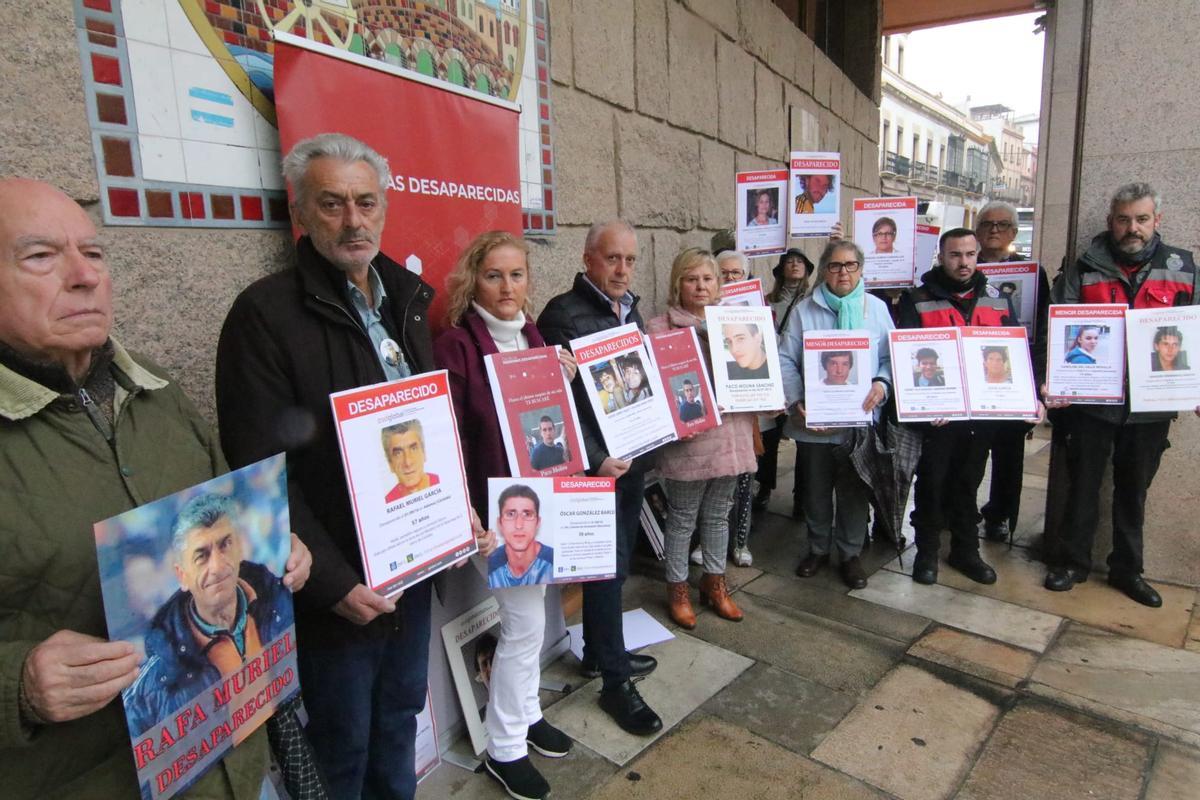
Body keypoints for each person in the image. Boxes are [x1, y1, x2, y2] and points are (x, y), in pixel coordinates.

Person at [0, 178, 310, 799]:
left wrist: (275, 546)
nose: (83, 276)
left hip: (234, 762)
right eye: (40, 256)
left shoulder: (159, 394)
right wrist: (19, 684)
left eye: (93, 253)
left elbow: (223, 517)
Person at [214, 133, 457, 799]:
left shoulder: (406, 300)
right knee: (340, 751)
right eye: (332, 203)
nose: (353, 220)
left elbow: (426, 428)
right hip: (337, 595)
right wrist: (332, 582)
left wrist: (453, 510)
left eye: (365, 202)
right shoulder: (264, 315)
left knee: (400, 725)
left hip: (411, 574)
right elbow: (259, 470)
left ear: (383, 208)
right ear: (300, 211)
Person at [432, 229, 576, 800]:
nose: (507, 286)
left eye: (517, 275)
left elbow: (544, 427)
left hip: (537, 503)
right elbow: (450, 435)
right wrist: (468, 511)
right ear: (474, 281)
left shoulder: (535, 335)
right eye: (494, 275)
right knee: (525, 626)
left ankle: (525, 715)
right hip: (491, 513)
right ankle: (506, 746)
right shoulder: (456, 346)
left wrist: (559, 382)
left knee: (532, 617)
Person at [1044, 182, 1199, 607]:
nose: (1133, 228)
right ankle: (1073, 563)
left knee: (1133, 491)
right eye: (1124, 219)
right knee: (1083, 486)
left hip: (1151, 407)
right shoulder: (1083, 266)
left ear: (1157, 221)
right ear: (1111, 221)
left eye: (1142, 219)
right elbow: (1056, 331)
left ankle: (1128, 571)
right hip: (1092, 405)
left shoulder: (1183, 266)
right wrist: (1052, 381)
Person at [537, 220, 663, 736]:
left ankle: (597, 651)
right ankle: (614, 683)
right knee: (605, 569)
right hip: (597, 468)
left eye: (630, 260)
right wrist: (593, 458)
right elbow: (556, 404)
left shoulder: (628, 308)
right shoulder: (561, 316)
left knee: (615, 563)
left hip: (630, 459)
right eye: (612, 259)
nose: (622, 269)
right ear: (588, 258)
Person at [898, 227, 1030, 587]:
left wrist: (1021, 397)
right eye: (955, 255)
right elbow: (906, 358)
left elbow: (1013, 354)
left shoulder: (997, 299)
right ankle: (926, 551)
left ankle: (965, 549)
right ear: (941, 257)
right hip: (937, 415)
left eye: (970, 254)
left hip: (981, 414)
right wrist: (923, 406)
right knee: (931, 481)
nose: (963, 262)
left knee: (969, 481)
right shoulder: (916, 299)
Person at [124, 495, 294, 738]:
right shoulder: (160, 672)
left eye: (225, 545)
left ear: (240, 548)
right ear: (181, 575)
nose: (218, 566)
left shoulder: (277, 600)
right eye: (202, 555)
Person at [646, 248, 754, 627]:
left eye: (708, 279)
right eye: (692, 279)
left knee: (718, 514)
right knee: (682, 517)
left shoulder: (736, 322)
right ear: (678, 284)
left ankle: (714, 582)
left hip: (730, 432)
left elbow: (754, 367)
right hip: (690, 437)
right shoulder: (660, 328)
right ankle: (677, 588)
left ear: (719, 283)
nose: (701, 286)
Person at [779, 241, 894, 589]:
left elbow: (892, 357)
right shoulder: (804, 311)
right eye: (835, 266)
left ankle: (850, 553)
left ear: (861, 269)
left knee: (853, 490)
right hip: (815, 420)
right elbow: (786, 359)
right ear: (825, 270)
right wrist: (797, 400)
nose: (843, 272)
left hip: (859, 421)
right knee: (815, 489)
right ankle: (817, 548)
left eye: (850, 265)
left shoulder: (875, 310)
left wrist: (882, 384)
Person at [975, 200, 1051, 543]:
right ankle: (958, 508)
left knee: (1009, 453)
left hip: (1013, 372)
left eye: (1002, 225)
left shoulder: (1031, 273)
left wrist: (1036, 384)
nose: (994, 230)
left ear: (1013, 232)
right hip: (974, 372)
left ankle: (999, 515)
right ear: (977, 230)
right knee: (970, 451)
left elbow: (1043, 325)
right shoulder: (963, 264)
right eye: (988, 224)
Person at [755, 248, 817, 516]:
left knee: (803, 438)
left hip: (796, 374)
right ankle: (764, 487)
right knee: (769, 435)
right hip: (769, 371)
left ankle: (801, 495)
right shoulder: (765, 301)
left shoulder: (813, 300)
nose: (794, 265)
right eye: (789, 261)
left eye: (800, 261)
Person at [713, 249, 760, 563]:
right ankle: (709, 543)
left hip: (746, 406)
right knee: (716, 484)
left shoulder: (758, 312)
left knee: (744, 480)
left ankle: (740, 542)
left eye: (736, 274)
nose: (730, 279)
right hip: (717, 410)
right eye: (724, 274)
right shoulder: (704, 310)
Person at [488, 485, 555, 589]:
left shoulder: (554, 560)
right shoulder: (490, 565)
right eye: (510, 514)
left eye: (527, 514)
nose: (519, 524)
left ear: (538, 522)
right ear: (499, 523)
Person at [382, 420, 440, 502]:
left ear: (424, 453)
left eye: (413, 449)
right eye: (398, 453)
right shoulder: (387, 502)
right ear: (390, 463)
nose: (408, 462)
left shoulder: (444, 483)